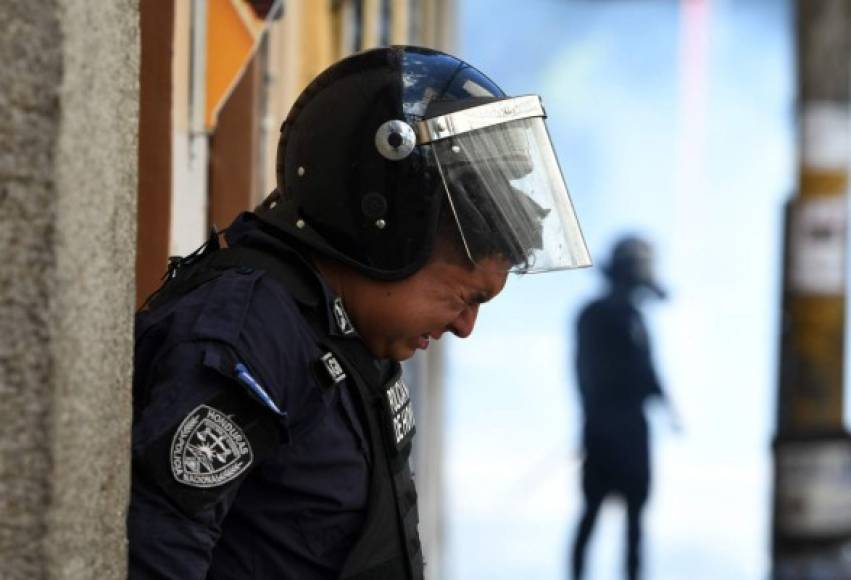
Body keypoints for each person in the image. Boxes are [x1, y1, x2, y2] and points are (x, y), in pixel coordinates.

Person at [128, 46, 591, 580]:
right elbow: (155, 552)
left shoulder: (337, 332)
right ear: (392, 230)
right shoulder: (252, 336)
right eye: (467, 298)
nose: (465, 328)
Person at [570, 236, 679, 580]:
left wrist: (666, 407)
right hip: (606, 429)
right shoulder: (598, 316)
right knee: (595, 513)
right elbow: (589, 373)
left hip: (628, 430)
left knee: (632, 518)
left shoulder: (631, 318)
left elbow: (648, 371)